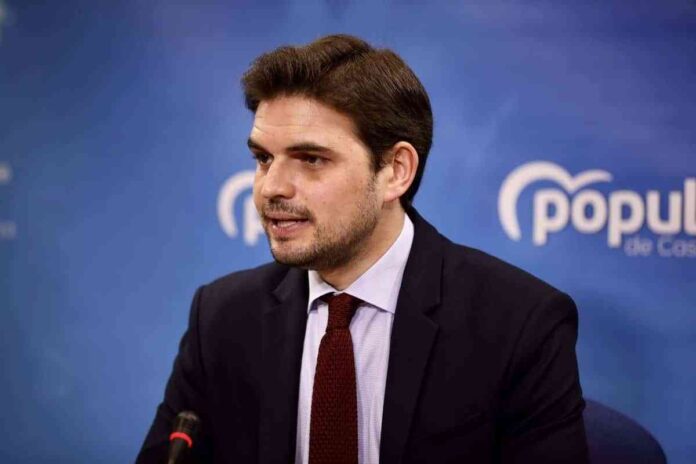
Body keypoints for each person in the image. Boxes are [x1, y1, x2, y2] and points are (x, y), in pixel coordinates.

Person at [137, 34, 588, 463]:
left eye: (311, 159)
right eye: (263, 158)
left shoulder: (519, 324)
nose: (270, 187)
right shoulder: (222, 318)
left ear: (395, 171)